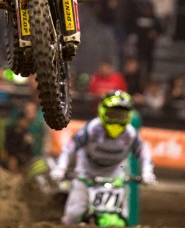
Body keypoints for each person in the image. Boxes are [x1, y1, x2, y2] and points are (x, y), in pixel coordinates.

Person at [50, 91, 156, 225]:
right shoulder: (92, 129)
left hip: (114, 178)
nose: (116, 120)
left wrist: (147, 172)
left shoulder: (130, 135)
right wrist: (60, 168)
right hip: (86, 175)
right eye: (113, 115)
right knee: (73, 215)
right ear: (103, 112)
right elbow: (70, 148)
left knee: (121, 215)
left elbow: (143, 154)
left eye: (121, 116)